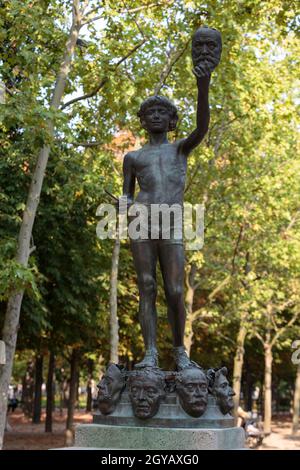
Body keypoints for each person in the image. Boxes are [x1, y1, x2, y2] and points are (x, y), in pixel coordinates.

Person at [122, 26, 222, 370]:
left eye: (162, 113)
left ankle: (179, 351)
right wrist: (125, 206)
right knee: (147, 286)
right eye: (150, 113)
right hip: (141, 222)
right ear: (142, 121)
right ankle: (150, 353)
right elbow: (126, 196)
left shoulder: (181, 148)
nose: (155, 116)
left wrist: (203, 83)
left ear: (171, 120)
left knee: (175, 290)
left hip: (172, 221)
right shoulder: (132, 158)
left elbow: (203, 126)